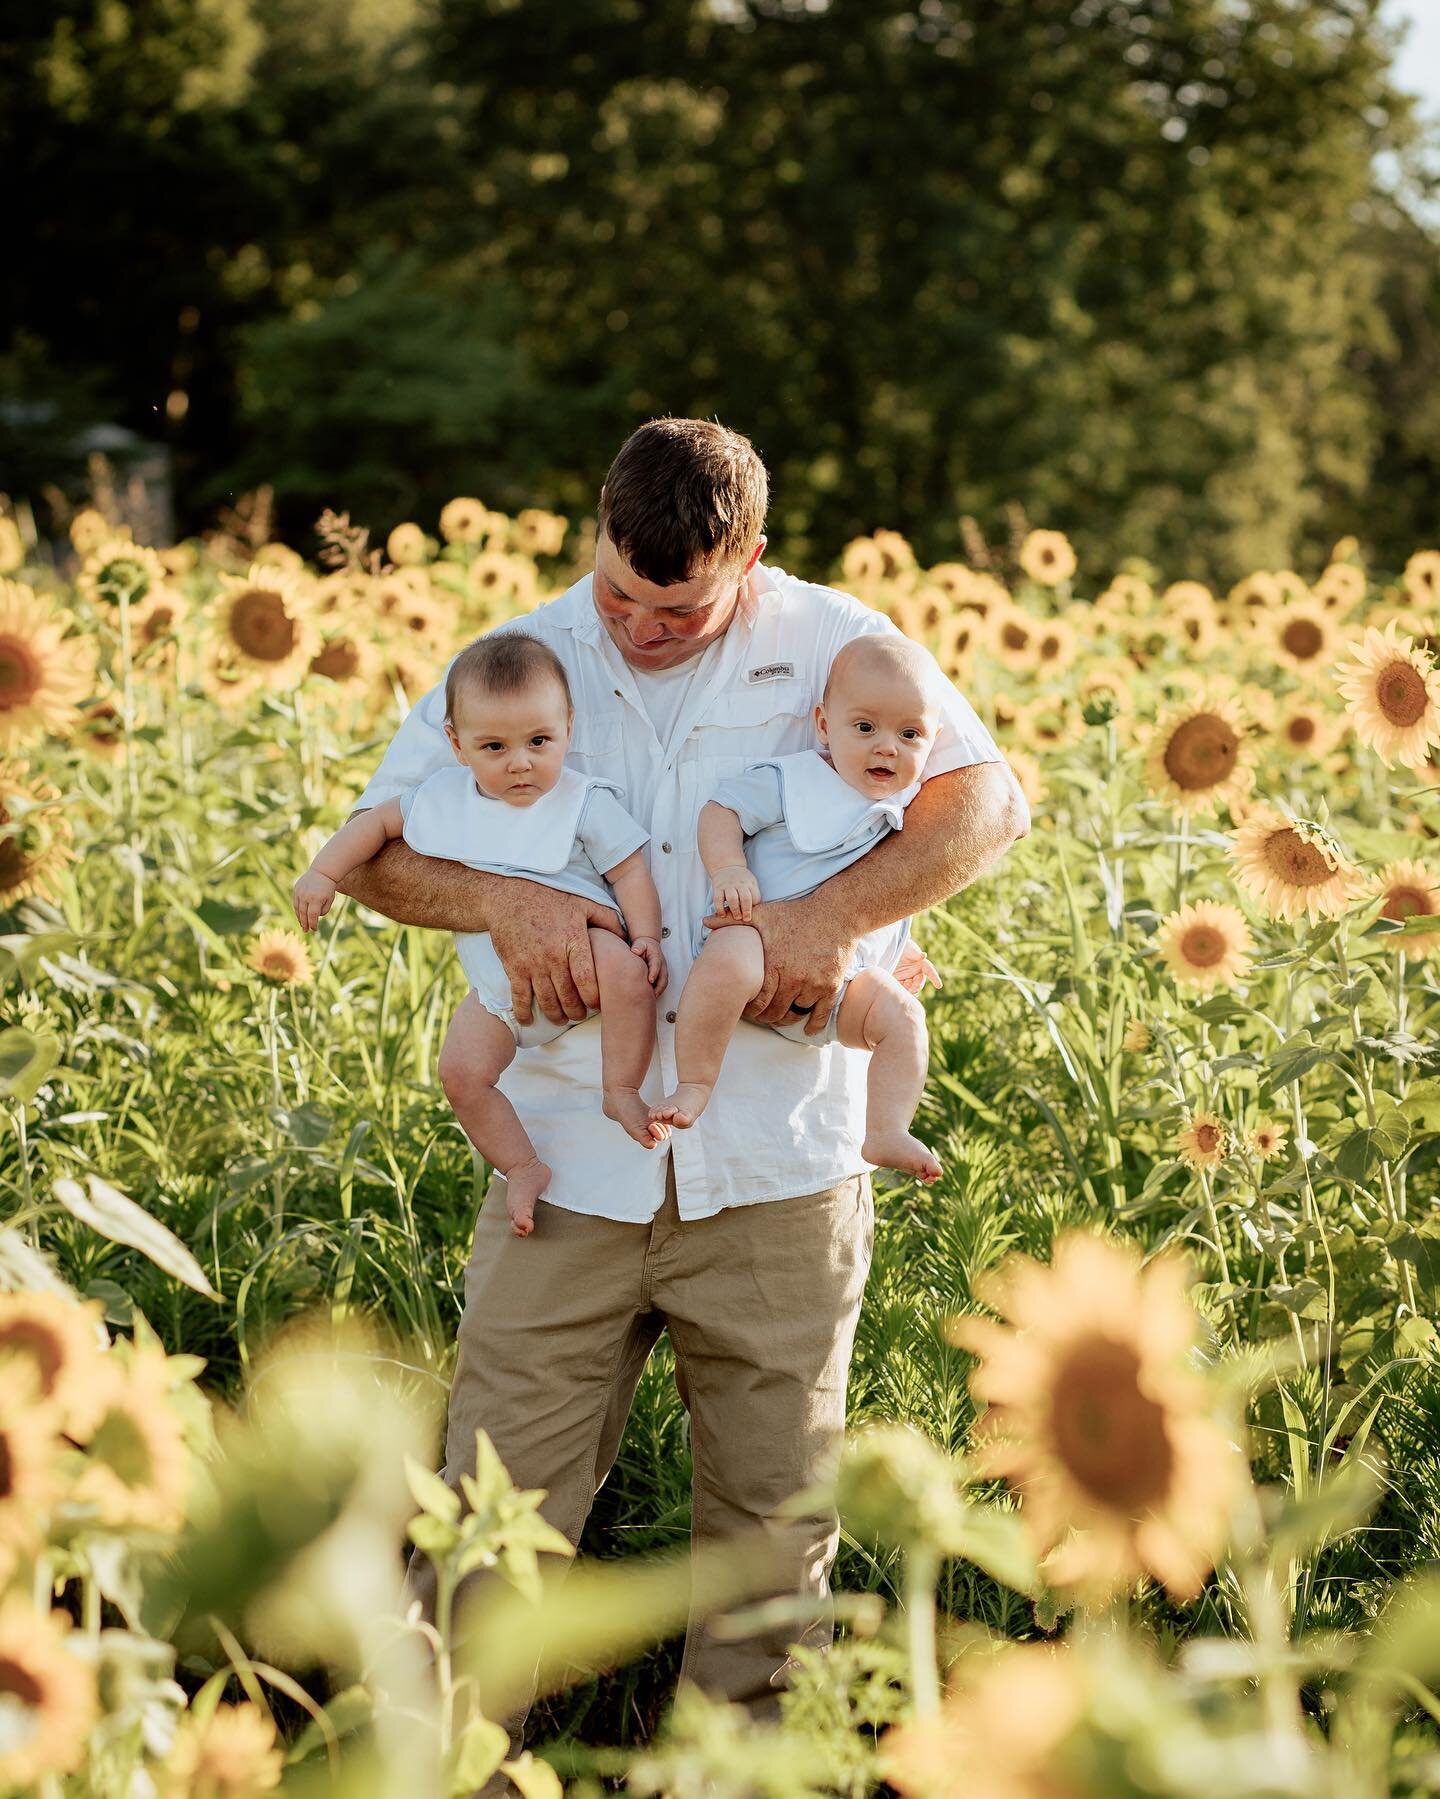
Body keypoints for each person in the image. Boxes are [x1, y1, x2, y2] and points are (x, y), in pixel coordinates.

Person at [336, 418, 1029, 1769]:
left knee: (775, 1545)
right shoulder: (521, 652)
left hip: (778, 1162)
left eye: (682, 608)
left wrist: (824, 922)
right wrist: (506, 898)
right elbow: (377, 847)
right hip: (562, 1156)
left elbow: (985, 805)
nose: (642, 628)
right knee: (487, 1519)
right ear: (596, 528)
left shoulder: (841, 641)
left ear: (751, 559)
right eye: (622, 594)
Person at [292, 632, 669, 1238]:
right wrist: (323, 872)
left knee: (629, 972)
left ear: (567, 729)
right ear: (456, 745)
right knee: (461, 1074)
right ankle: (521, 1165)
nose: (520, 762)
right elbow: (374, 826)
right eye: (494, 746)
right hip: (499, 991)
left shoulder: (581, 802)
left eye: (539, 742)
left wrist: (646, 936)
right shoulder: (441, 798)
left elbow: (630, 870)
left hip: (586, 953)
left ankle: (620, 1088)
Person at [651, 633, 946, 1186]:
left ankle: (885, 1128)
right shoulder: (794, 780)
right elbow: (721, 812)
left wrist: (904, 948)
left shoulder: (902, 814)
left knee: (905, 1017)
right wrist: (729, 871)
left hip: (840, 986)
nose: (887, 747)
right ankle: (694, 1082)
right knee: (731, 953)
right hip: (758, 944)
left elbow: (881, 894)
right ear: (823, 724)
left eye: (910, 734)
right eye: (866, 728)